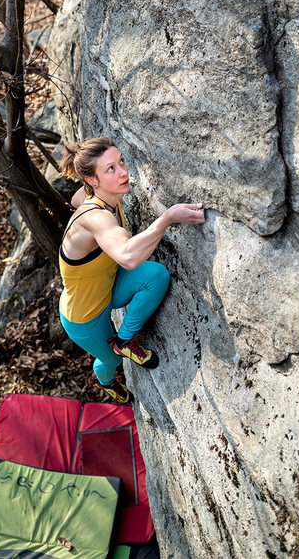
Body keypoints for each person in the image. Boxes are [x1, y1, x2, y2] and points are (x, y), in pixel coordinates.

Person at [59, 136, 205, 404]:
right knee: (109, 359)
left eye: (121, 161)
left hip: (107, 287)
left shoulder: (96, 194)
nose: (124, 172)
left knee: (156, 276)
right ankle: (104, 381)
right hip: (84, 316)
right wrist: (168, 217)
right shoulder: (97, 217)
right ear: (93, 180)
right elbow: (127, 257)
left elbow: (75, 197)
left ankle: (124, 341)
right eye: (111, 169)